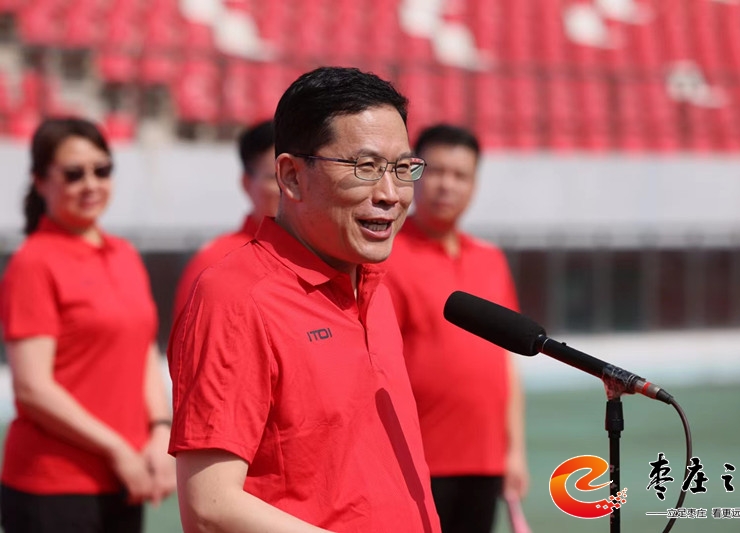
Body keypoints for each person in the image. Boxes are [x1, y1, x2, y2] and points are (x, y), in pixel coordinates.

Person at [168, 66, 441, 533]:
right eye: (365, 168)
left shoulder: (372, 287)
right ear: (291, 176)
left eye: (402, 169)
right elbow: (209, 506)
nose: (390, 194)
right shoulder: (237, 297)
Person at [0, 117, 175, 532]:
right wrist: (117, 449)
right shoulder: (33, 263)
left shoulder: (125, 255)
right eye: (73, 174)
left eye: (102, 169)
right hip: (53, 486)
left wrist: (159, 432)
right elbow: (33, 388)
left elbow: (143, 353)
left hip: (124, 478)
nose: (91, 184)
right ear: (41, 181)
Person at [383, 124, 529, 533]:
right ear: (413, 173)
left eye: (460, 175)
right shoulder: (385, 254)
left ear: (474, 184)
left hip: (485, 461)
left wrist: (514, 450)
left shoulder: (490, 259)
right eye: (437, 172)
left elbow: (505, 363)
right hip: (414, 460)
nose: (447, 185)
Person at [172, 119, 278, 319]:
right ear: (246, 183)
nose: (288, 187)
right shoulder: (215, 262)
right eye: (275, 177)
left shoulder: (327, 257)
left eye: (294, 174)